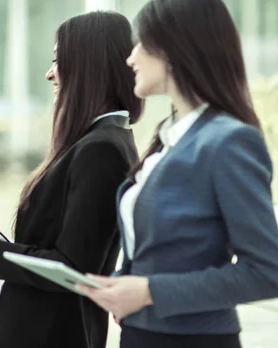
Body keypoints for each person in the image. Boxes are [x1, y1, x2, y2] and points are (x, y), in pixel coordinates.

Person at [76, 1, 278, 348]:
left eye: (140, 44)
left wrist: (149, 291)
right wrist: (121, 285)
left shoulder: (228, 141)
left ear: (171, 49)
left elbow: (266, 272)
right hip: (140, 335)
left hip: (194, 340)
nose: (130, 58)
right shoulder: (168, 136)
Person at [0, 11, 142, 348]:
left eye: (59, 60)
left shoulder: (101, 149)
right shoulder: (101, 141)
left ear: (87, 65)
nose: (49, 73)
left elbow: (71, 268)